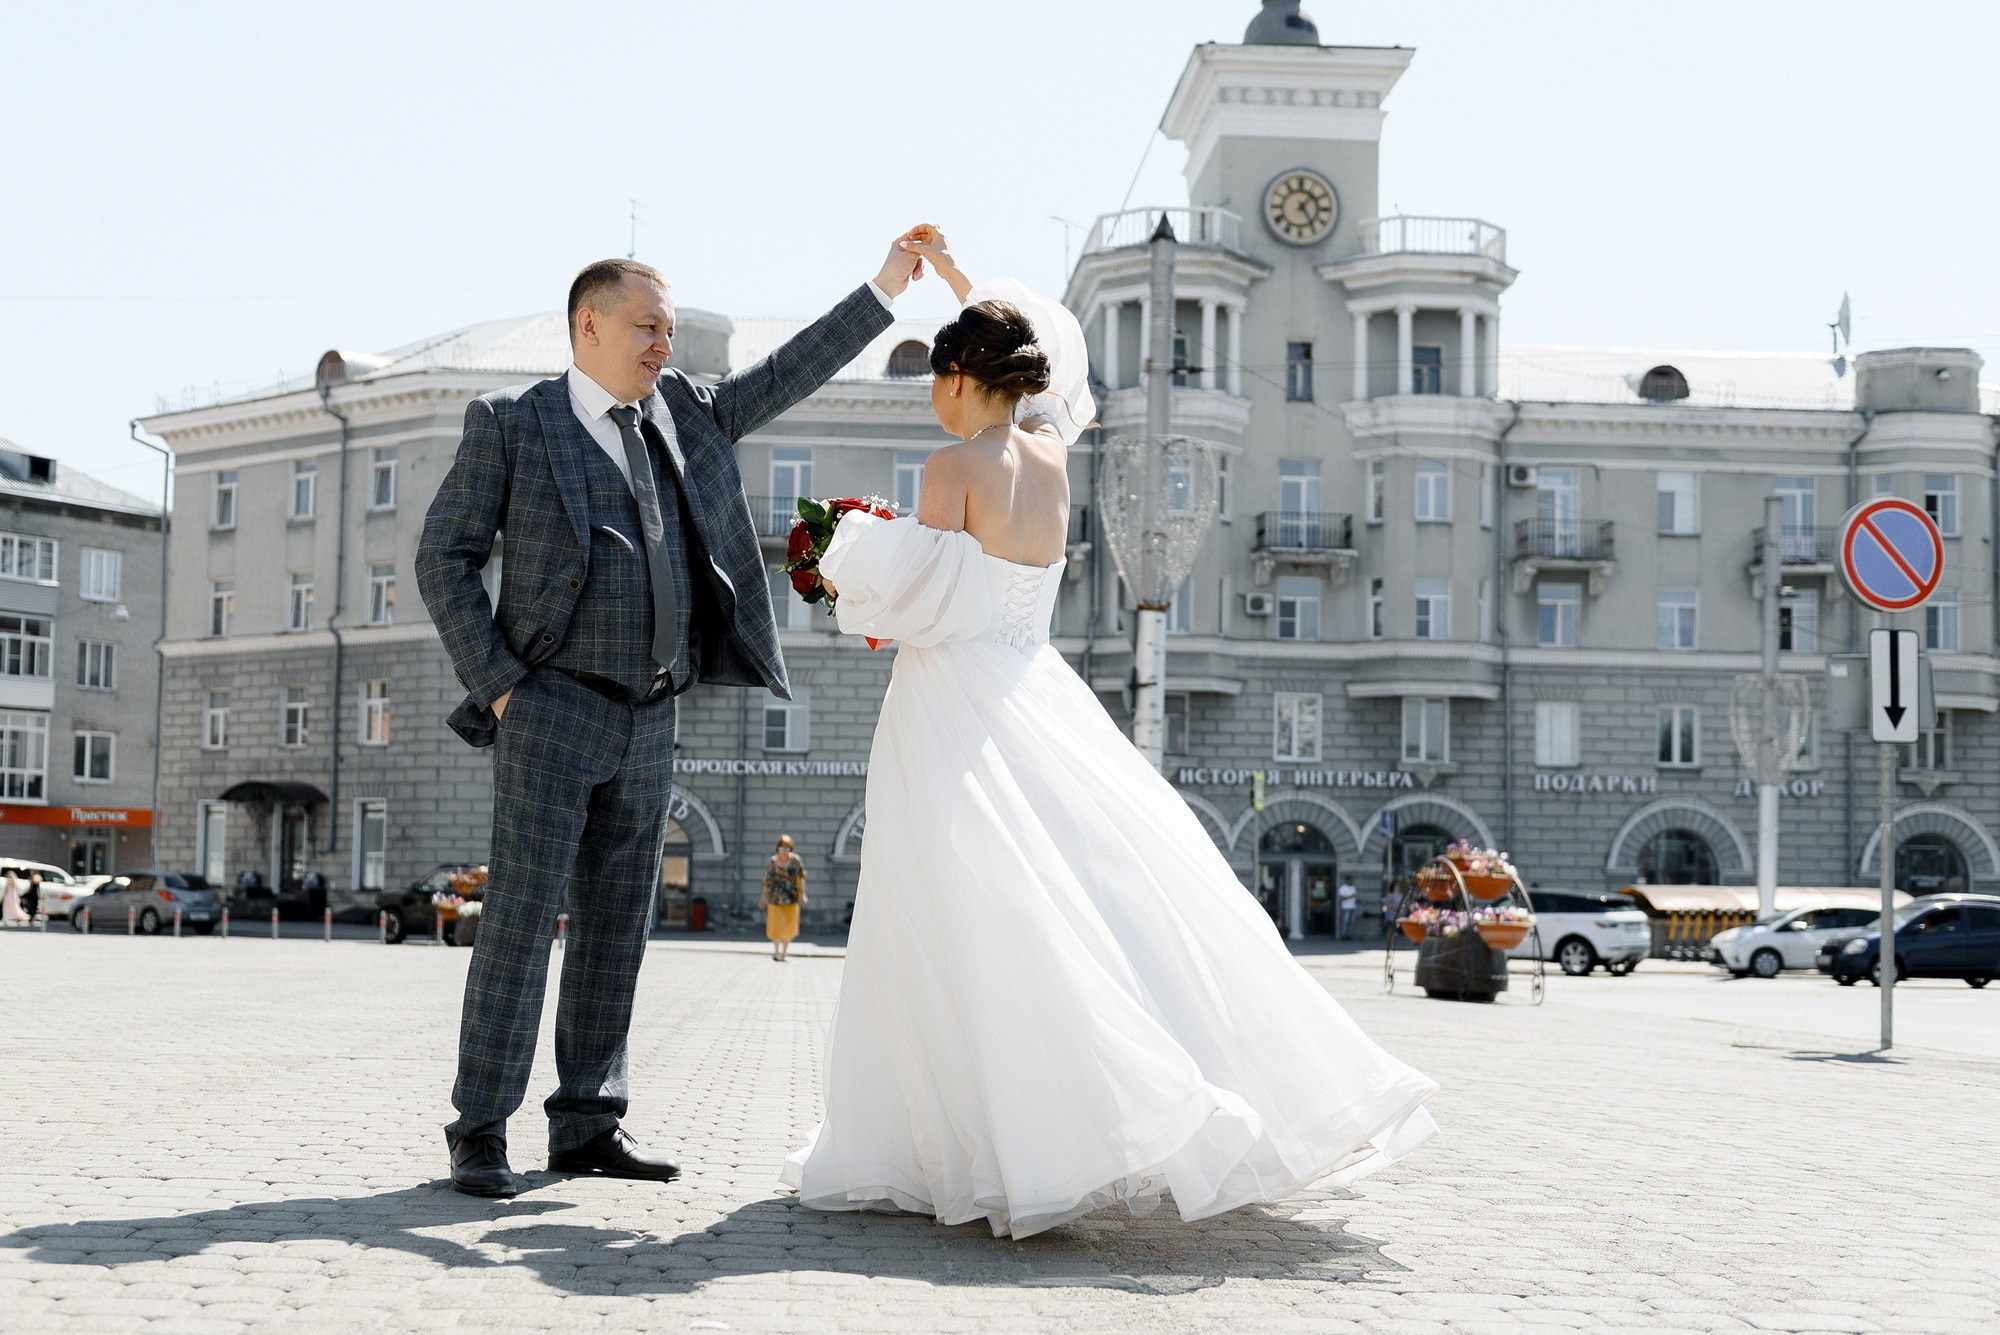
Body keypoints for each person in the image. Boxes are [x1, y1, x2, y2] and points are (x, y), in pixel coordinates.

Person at [782, 227, 1437, 1239]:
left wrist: (844, 556)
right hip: (1033, 690)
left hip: (951, 705)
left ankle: (964, 1139)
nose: (928, 395)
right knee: (1074, 897)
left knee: (948, 911)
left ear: (958, 378)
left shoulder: (951, 466)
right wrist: (959, 281)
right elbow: (1048, 351)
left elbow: (923, 599)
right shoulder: (1052, 452)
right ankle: (1059, 1123)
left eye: (934, 376)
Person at [416, 229, 927, 1200]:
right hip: (549, 708)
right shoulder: (513, 425)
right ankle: (479, 1129)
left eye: (667, 327)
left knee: (617, 930)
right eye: (648, 326)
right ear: (588, 324)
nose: (662, 342)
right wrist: (499, 683)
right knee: (520, 926)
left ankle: (587, 1124)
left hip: (652, 715)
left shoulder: (683, 414)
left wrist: (883, 289)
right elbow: (441, 557)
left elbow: (785, 374)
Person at [760, 836, 807, 962]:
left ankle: (784, 953)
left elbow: (801, 878)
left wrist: (803, 894)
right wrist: (763, 897)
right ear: (778, 848)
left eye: (787, 847)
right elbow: (767, 881)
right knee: (775, 925)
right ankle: (776, 951)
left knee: (789, 925)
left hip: (791, 898)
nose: (784, 850)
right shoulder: (772, 862)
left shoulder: (796, 861)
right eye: (782, 847)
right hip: (775, 898)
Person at [1336, 874, 1358, 940]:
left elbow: (1354, 896)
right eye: (1350, 880)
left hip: (1353, 906)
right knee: (1345, 921)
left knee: (1351, 921)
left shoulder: (1353, 888)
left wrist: (1356, 900)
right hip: (1346, 907)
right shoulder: (1343, 888)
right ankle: (1343, 935)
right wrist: (1350, 896)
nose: (1351, 881)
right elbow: (1341, 897)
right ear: (1347, 881)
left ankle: (1349, 935)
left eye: (1352, 880)